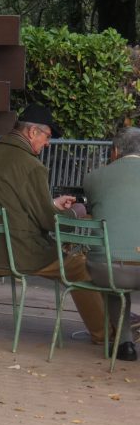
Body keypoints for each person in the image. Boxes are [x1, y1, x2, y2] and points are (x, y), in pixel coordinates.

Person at [0, 104, 107, 348]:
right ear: (32, 132)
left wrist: (51, 203)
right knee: (79, 267)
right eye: (47, 136)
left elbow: (14, 202)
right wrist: (76, 211)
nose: (48, 143)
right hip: (18, 252)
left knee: (72, 261)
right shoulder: (32, 166)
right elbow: (49, 222)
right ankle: (106, 333)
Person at [82, 127, 140, 361]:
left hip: (109, 268)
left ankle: (124, 343)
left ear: (115, 151)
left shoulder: (94, 178)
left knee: (112, 279)